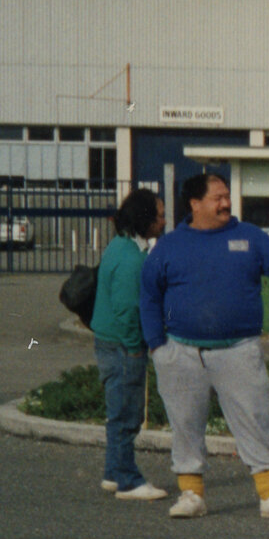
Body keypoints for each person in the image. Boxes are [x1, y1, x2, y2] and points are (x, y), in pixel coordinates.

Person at [139, 172, 269, 520]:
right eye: (218, 197)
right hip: (180, 353)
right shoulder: (169, 246)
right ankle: (191, 495)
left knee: (255, 420)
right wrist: (158, 347)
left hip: (239, 351)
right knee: (185, 425)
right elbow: (149, 296)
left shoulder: (249, 237)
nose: (226, 203)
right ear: (195, 204)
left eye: (227, 196)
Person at [90, 188, 168, 501]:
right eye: (159, 215)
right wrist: (137, 345)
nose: (163, 221)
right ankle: (127, 480)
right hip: (124, 345)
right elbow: (127, 308)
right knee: (127, 414)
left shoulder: (120, 246)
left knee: (118, 412)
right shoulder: (131, 260)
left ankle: (113, 471)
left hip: (109, 340)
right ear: (145, 218)